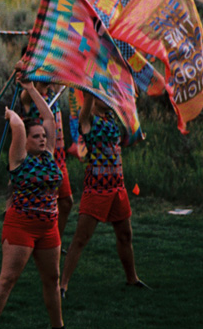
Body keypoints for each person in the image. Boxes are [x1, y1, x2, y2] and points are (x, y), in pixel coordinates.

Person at [0, 78, 64, 329]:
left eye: (43, 137)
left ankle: (58, 326)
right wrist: (11, 115)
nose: (42, 140)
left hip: (49, 228)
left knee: (52, 279)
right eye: (37, 137)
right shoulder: (19, 159)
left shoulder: (49, 156)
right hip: (21, 226)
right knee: (8, 279)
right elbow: (19, 125)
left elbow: (49, 119)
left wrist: (31, 89)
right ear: (26, 141)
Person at [59, 94, 146, 297]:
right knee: (81, 238)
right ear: (94, 99)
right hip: (97, 189)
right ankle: (62, 285)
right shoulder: (88, 121)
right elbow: (87, 100)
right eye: (103, 96)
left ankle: (132, 278)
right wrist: (90, 86)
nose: (109, 99)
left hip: (118, 187)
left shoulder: (111, 120)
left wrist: (134, 136)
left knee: (125, 235)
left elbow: (120, 141)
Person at [24, 83, 74, 237]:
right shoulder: (28, 96)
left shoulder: (53, 91)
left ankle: (53, 240)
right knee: (36, 206)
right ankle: (32, 239)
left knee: (66, 203)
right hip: (39, 161)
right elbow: (26, 92)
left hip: (59, 158)